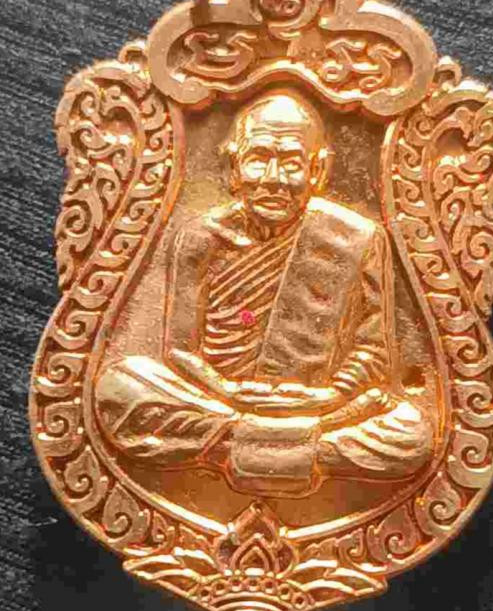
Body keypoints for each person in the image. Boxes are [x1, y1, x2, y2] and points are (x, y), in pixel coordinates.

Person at [95, 91, 433, 497]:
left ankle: (239, 445)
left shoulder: (356, 237)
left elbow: (373, 352)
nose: (273, 178)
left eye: (291, 162)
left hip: (318, 407)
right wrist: (229, 392)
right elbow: (180, 351)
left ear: (317, 171)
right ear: (235, 167)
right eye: (258, 158)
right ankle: (303, 449)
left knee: (412, 432)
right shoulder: (201, 237)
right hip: (221, 402)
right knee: (120, 387)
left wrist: (328, 397)